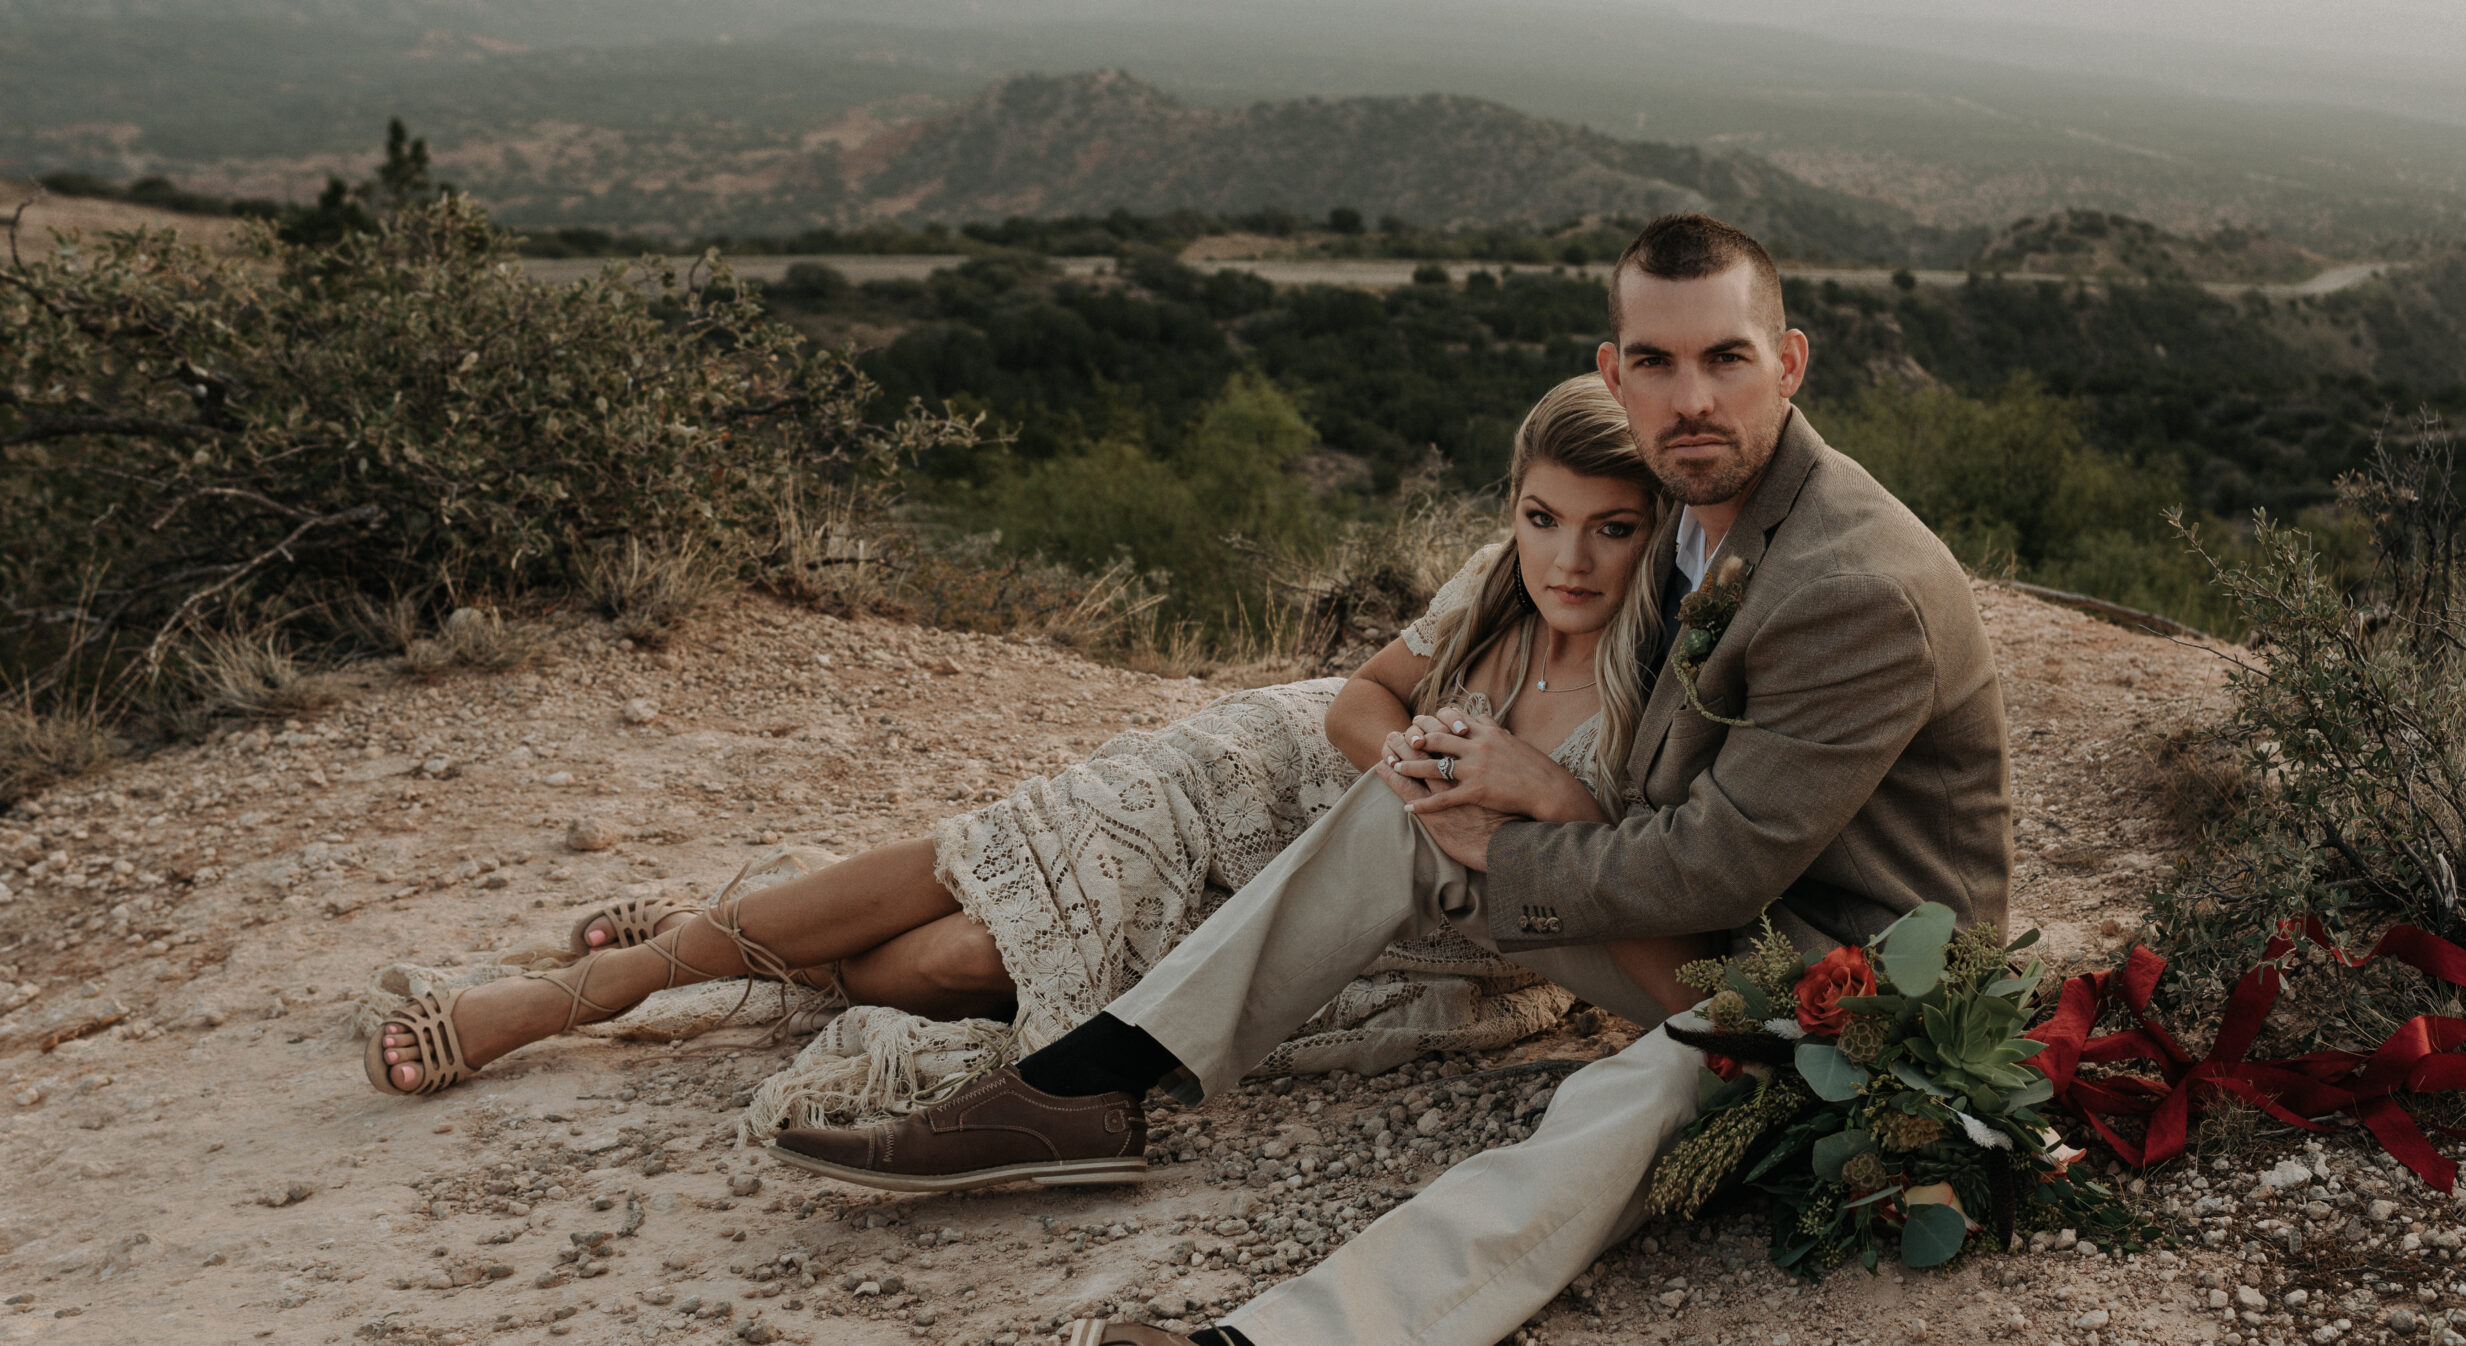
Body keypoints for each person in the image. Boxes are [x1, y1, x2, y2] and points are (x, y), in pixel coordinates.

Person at [771, 213, 2012, 1346]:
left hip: (1838, 996)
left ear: (1789, 363)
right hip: (1709, 929)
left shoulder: (1853, 581)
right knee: (1402, 808)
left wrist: (1511, 818)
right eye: (1656, 362)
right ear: (1614, 368)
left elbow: (1715, 863)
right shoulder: (1696, 518)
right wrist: (1477, 796)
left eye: (1725, 359)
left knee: (1616, 1104)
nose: (1690, 398)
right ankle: (1087, 1087)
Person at [365, 374, 1696, 1101]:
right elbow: (1360, 698)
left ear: (1661, 530)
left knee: (944, 967)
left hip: (1399, 918)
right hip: (1273, 770)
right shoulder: (1502, 577)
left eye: (1611, 528)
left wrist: (1533, 798)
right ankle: (586, 993)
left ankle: (744, 926)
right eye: (1541, 517)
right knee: (978, 863)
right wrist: (1399, 763)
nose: (1568, 556)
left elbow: (1645, 888)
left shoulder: (1676, 683)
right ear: (1513, 507)